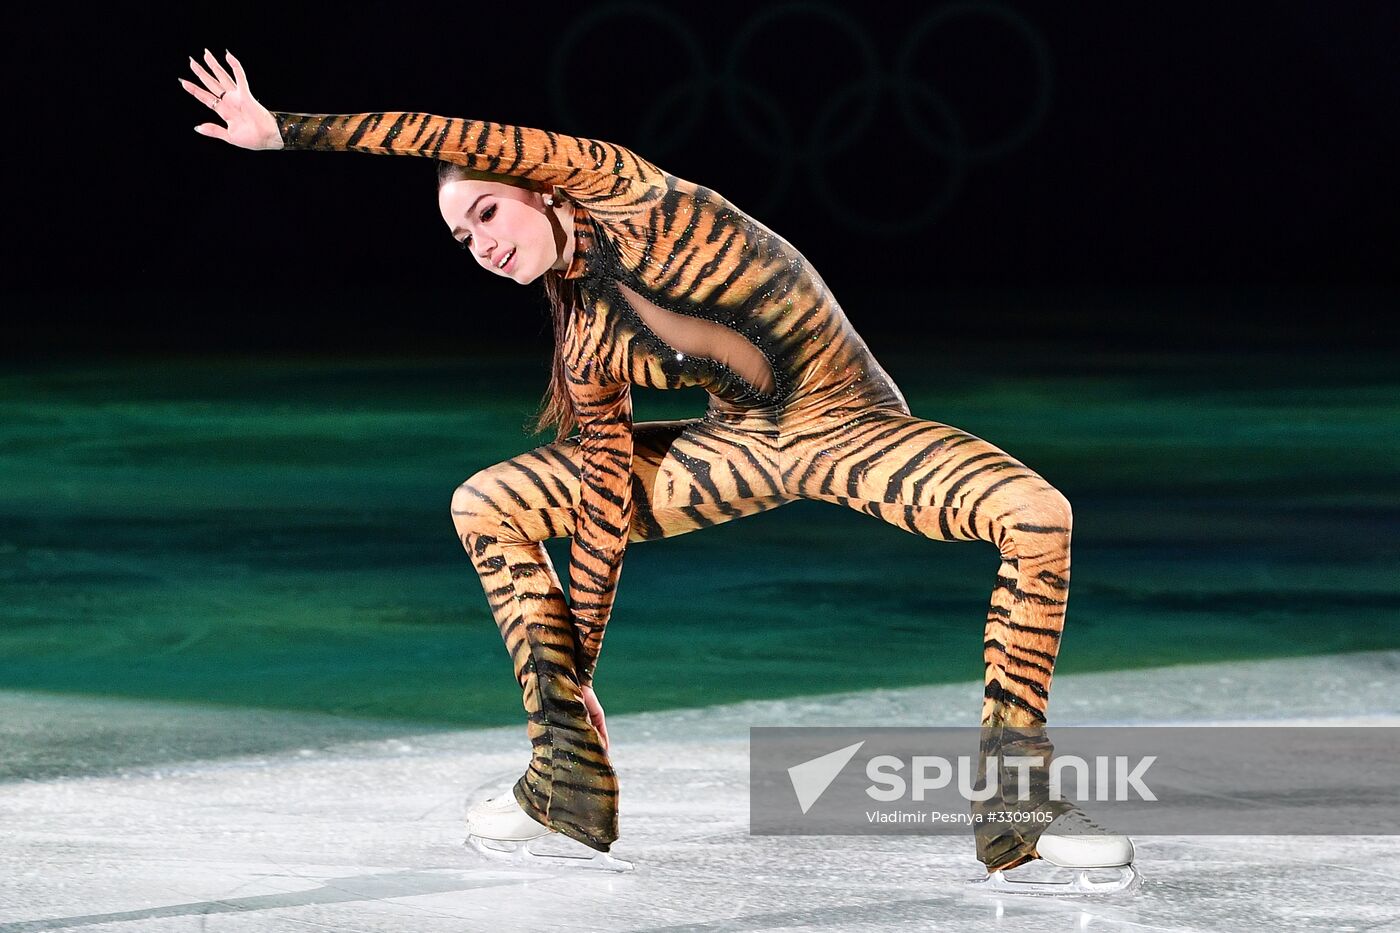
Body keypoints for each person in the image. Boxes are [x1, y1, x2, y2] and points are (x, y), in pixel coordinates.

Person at [181, 49, 1138, 891]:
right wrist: (580, 669)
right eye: (462, 239)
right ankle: (565, 778)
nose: (482, 243)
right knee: (488, 501)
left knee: (1034, 512)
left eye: (487, 211)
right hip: (741, 445)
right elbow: (602, 508)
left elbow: (446, 129)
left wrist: (285, 133)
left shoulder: (624, 189)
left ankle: (1020, 807)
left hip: (843, 420)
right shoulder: (588, 341)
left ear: (536, 184)